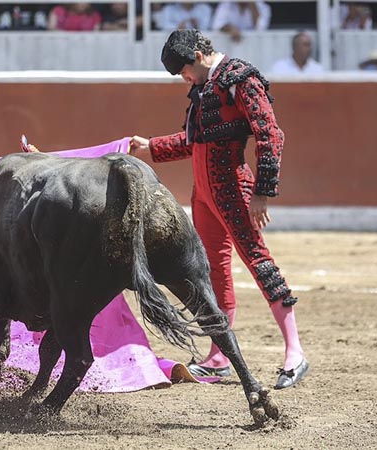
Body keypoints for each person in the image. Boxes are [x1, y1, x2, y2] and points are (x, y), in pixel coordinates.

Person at [129, 29, 308, 389]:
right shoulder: (205, 88)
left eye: (184, 70)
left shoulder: (240, 78)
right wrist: (152, 146)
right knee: (213, 272)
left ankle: (295, 352)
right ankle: (218, 355)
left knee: (258, 260)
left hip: (232, 190)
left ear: (198, 54)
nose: (184, 78)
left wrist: (262, 191)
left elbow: (270, 133)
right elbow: (195, 142)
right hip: (205, 196)